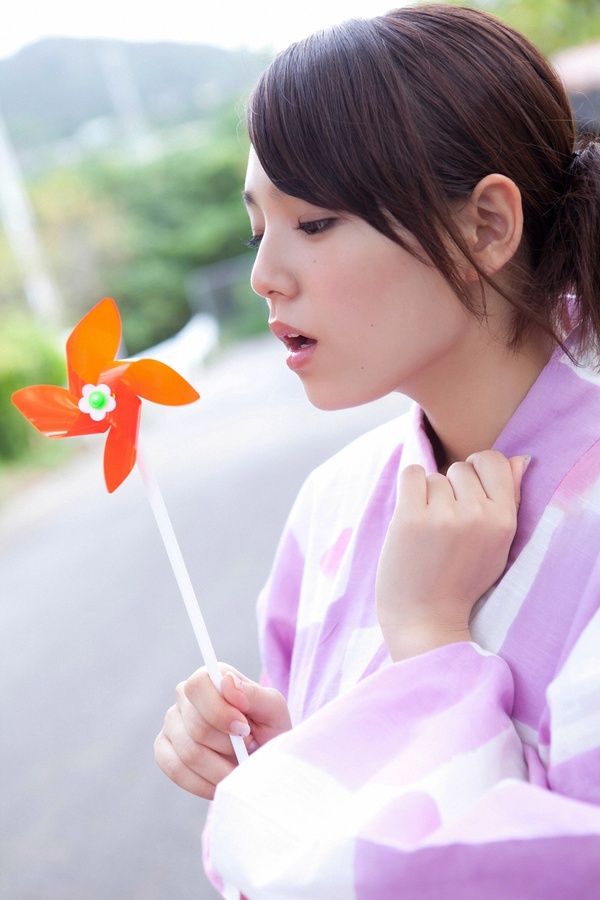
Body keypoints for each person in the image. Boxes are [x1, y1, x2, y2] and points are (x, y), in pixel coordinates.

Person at [154, 5, 600, 897]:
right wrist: (300, 761)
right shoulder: (331, 505)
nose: (263, 276)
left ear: (485, 225)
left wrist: (430, 643)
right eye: (258, 229)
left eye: (313, 223)